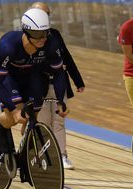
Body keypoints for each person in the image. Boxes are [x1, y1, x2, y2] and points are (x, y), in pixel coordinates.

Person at [0, 8, 68, 174]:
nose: (42, 39)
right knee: (15, 117)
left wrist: (61, 100)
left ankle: (25, 153)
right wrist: (12, 109)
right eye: (36, 34)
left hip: (33, 76)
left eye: (44, 33)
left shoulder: (52, 44)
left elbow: (59, 73)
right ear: (25, 31)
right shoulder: (8, 45)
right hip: (9, 78)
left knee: (31, 117)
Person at [30, 2, 85, 170]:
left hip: (58, 82)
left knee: (59, 121)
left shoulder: (54, 34)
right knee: (44, 122)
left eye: (47, 14)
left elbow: (66, 57)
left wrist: (78, 80)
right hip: (39, 85)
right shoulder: (26, 38)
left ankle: (62, 155)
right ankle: (40, 154)